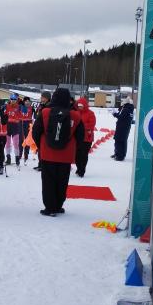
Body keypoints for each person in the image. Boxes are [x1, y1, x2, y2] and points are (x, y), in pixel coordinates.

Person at [32, 88, 83, 217]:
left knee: (48, 181)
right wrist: (73, 149)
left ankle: (49, 207)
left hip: (47, 153)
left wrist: (41, 146)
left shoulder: (45, 112)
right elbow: (81, 136)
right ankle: (58, 205)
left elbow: (36, 132)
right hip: (66, 156)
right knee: (62, 181)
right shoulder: (76, 116)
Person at [74, 97, 96, 177]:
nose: (80, 107)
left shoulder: (90, 113)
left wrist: (81, 126)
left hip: (87, 138)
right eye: (79, 106)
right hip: (77, 138)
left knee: (83, 155)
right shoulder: (76, 113)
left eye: (81, 106)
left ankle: (81, 170)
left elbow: (91, 124)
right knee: (76, 155)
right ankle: (78, 167)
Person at [33, 91, 52, 171]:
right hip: (39, 129)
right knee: (39, 148)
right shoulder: (41, 105)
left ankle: (43, 165)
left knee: (43, 148)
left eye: (43, 97)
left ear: (47, 98)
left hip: (44, 130)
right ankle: (40, 164)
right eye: (41, 97)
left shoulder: (49, 106)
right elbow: (36, 115)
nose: (41, 98)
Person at [4, 93, 21, 165]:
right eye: (12, 99)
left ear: (16, 100)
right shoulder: (7, 106)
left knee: (15, 143)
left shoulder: (19, 106)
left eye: (14, 99)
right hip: (8, 126)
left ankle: (17, 158)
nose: (13, 101)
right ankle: (8, 158)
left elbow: (25, 111)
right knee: (7, 143)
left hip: (15, 126)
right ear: (10, 100)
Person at [20, 97, 35, 162]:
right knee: (21, 139)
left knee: (27, 140)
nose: (27, 102)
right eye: (26, 101)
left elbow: (35, 116)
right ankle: (20, 154)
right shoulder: (21, 107)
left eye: (28, 101)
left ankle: (26, 154)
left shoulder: (32, 108)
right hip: (22, 123)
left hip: (29, 124)